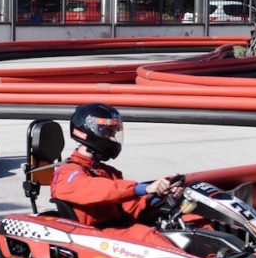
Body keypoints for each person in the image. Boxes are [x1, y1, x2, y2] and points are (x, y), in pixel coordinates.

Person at [50, 103, 181, 248]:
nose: (113, 139)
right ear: (89, 132)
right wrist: (141, 188)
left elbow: (129, 209)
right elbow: (96, 189)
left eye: (114, 133)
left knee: (188, 221)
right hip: (95, 236)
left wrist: (157, 198)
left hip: (118, 230)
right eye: (108, 133)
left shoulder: (108, 172)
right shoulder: (68, 172)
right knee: (147, 237)